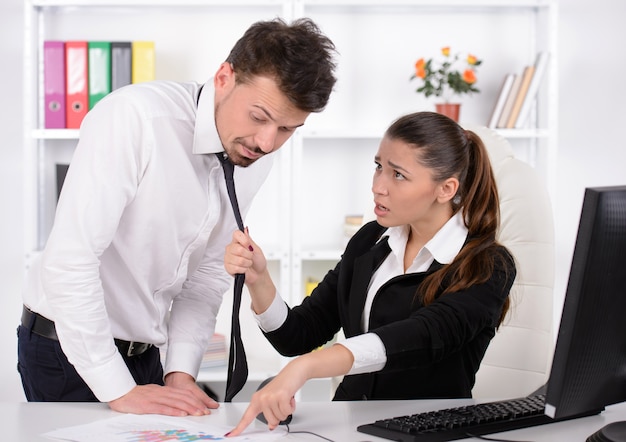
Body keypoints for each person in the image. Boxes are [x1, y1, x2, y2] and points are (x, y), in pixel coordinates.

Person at [17, 18, 337, 417]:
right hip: (68, 351)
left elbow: (205, 278)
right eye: (259, 116)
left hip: (146, 356)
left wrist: (181, 373)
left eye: (288, 129)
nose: (267, 142)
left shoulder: (253, 153)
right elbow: (71, 261)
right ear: (224, 77)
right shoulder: (135, 118)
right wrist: (119, 389)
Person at [223, 111, 516, 435]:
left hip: (430, 430)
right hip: (350, 426)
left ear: (445, 188)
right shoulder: (370, 241)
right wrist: (259, 278)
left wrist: (306, 368)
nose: (378, 187)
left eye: (398, 175)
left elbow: (422, 336)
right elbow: (298, 335)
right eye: (379, 167)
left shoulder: (487, 265)